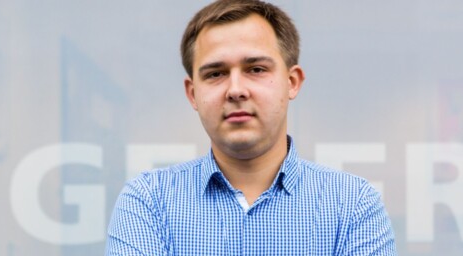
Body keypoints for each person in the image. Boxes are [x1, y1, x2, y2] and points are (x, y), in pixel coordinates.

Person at [105, 0, 396, 255]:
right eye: (216, 73)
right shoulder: (149, 201)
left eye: (256, 69)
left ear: (291, 82)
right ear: (193, 93)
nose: (235, 90)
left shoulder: (353, 205)